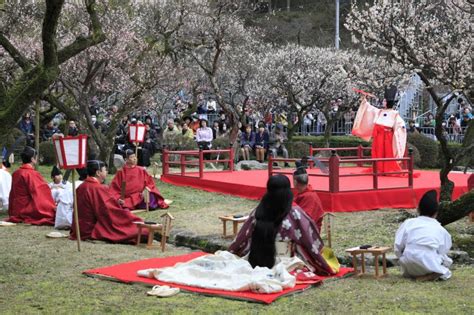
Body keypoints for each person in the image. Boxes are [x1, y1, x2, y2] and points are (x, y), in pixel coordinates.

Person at [229, 175, 336, 275]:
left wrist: (232, 251)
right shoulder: (295, 213)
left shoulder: (258, 211)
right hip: (286, 261)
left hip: (256, 257)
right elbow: (309, 239)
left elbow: (242, 236)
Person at [70, 160, 144, 244]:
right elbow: (108, 210)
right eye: (105, 170)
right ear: (98, 172)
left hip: (78, 229)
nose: (107, 172)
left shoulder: (81, 186)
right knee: (131, 225)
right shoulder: (98, 188)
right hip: (91, 230)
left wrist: (115, 202)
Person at [394, 190, 453, 281]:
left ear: (418, 209)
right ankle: (430, 276)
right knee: (445, 265)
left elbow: (398, 245)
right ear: (436, 213)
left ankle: (415, 273)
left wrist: (402, 257)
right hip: (428, 263)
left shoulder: (408, 223)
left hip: (408, 262)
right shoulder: (440, 229)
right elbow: (443, 250)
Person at [352, 86, 406, 173]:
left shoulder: (395, 114)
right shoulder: (380, 111)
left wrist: (402, 127)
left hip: (388, 137)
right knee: (378, 152)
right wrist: (365, 101)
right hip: (379, 136)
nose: (383, 102)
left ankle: (387, 169)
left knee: (388, 153)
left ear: (388, 102)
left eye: (384, 101)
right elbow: (370, 110)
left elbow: (400, 124)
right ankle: (379, 168)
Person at [7, 147, 56, 225]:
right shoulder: (31, 173)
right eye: (36, 157)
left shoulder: (16, 172)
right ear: (33, 159)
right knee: (53, 211)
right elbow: (40, 192)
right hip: (25, 209)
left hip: (15, 209)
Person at [293, 167, 324, 232]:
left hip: (309, 232)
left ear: (295, 182)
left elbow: (304, 220)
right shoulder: (307, 193)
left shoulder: (309, 197)